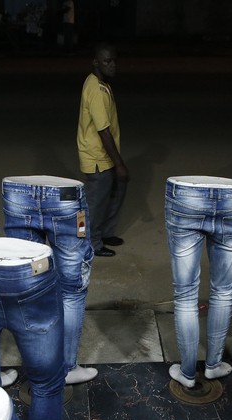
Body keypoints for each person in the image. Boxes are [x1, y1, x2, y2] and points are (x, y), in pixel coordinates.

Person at [77, 42, 128, 258]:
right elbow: (104, 132)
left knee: (115, 191)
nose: (112, 65)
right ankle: (92, 242)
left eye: (114, 60)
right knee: (94, 204)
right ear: (96, 62)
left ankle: (105, 233)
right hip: (97, 157)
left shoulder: (101, 83)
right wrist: (119, 164)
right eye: (107, 61)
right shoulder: (96, 90)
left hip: (105, 154)